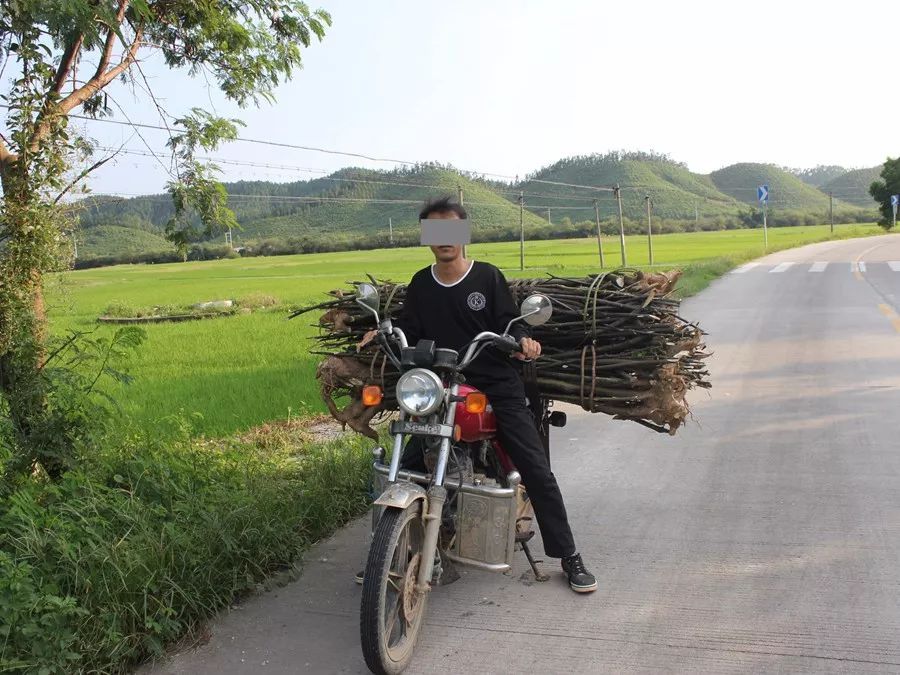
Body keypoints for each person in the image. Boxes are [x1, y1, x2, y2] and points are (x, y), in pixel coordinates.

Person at [359, 196, 596, 593]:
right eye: (435, 231)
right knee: (406, 463)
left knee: (535, 468)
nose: (444, 238)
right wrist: (383, 331)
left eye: (451, 229)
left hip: (494, 382)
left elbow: (509, 322)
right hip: (442, 386)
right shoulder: (421, 283)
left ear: (464, 233)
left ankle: (568, 554)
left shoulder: (486, 277)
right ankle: (385, 556)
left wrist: (523, 339)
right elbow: (408, 329)